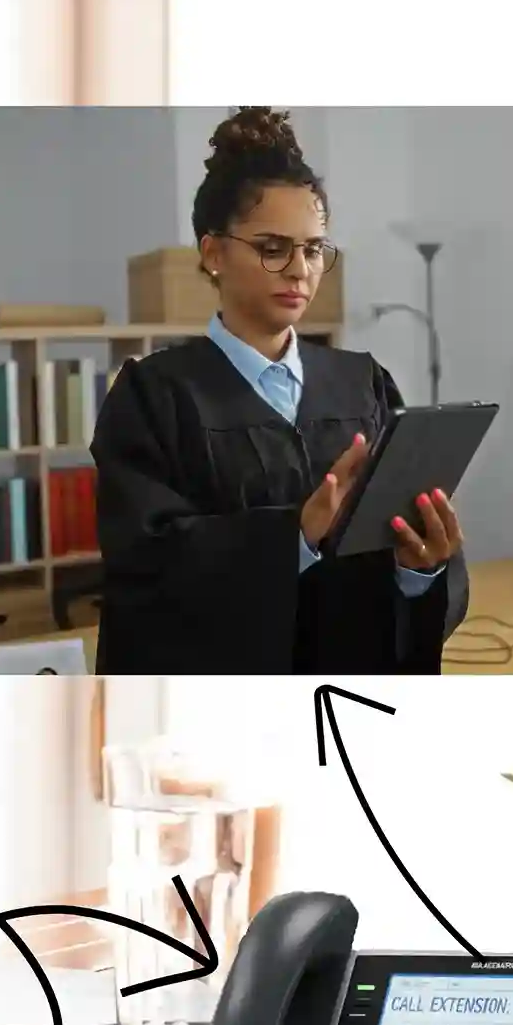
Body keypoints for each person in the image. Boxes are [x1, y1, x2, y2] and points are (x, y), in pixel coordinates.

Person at [91, 107, 469, 674]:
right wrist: (292, 536)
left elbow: (398, 576)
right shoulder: (154, 396)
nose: (299, 270)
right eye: (272, 247)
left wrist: (422, 571)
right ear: (214, 253)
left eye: (314, 249)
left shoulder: (362, 383)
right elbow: (145, 570)